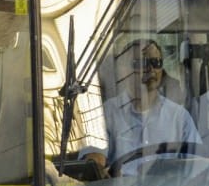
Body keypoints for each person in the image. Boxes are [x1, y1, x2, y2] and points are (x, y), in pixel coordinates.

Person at [84, 38, 201, 176]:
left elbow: (198, 165)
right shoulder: (106, 114)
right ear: (124, 71)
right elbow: (94, 160)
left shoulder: (179, 117)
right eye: (141, 63)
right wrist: (97, 161)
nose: (151, 69)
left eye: (156, 63)